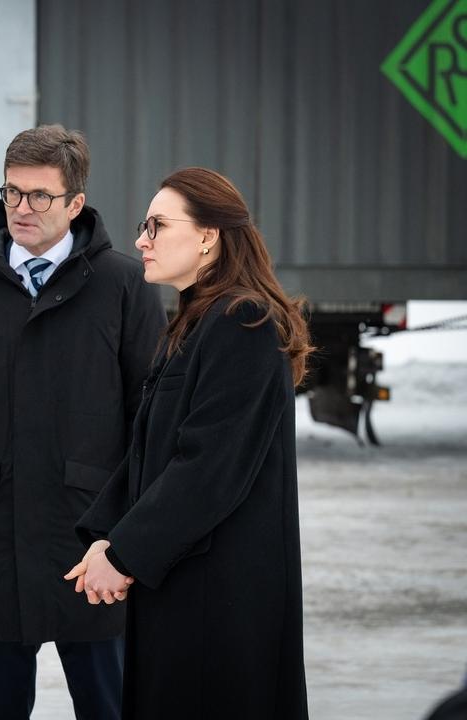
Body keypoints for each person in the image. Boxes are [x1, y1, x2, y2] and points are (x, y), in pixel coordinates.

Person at [0, 124, 166, 719]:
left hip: (93, 542)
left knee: (108, 708)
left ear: (75, 204)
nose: (22, 209)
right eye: (12, 193)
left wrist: (135, 537)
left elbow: (147, 417)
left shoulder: (125, 286)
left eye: (40, 196)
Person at [65, 167, 313, 719]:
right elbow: (152, 451)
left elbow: (208, 468)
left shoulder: (243, 320)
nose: (140, 240)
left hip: (221, 604)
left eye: (157, 225)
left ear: (208, 236)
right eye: (142, 225)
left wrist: (126, 553)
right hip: (186, 583)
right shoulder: (198, 321)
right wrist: (106, 537)